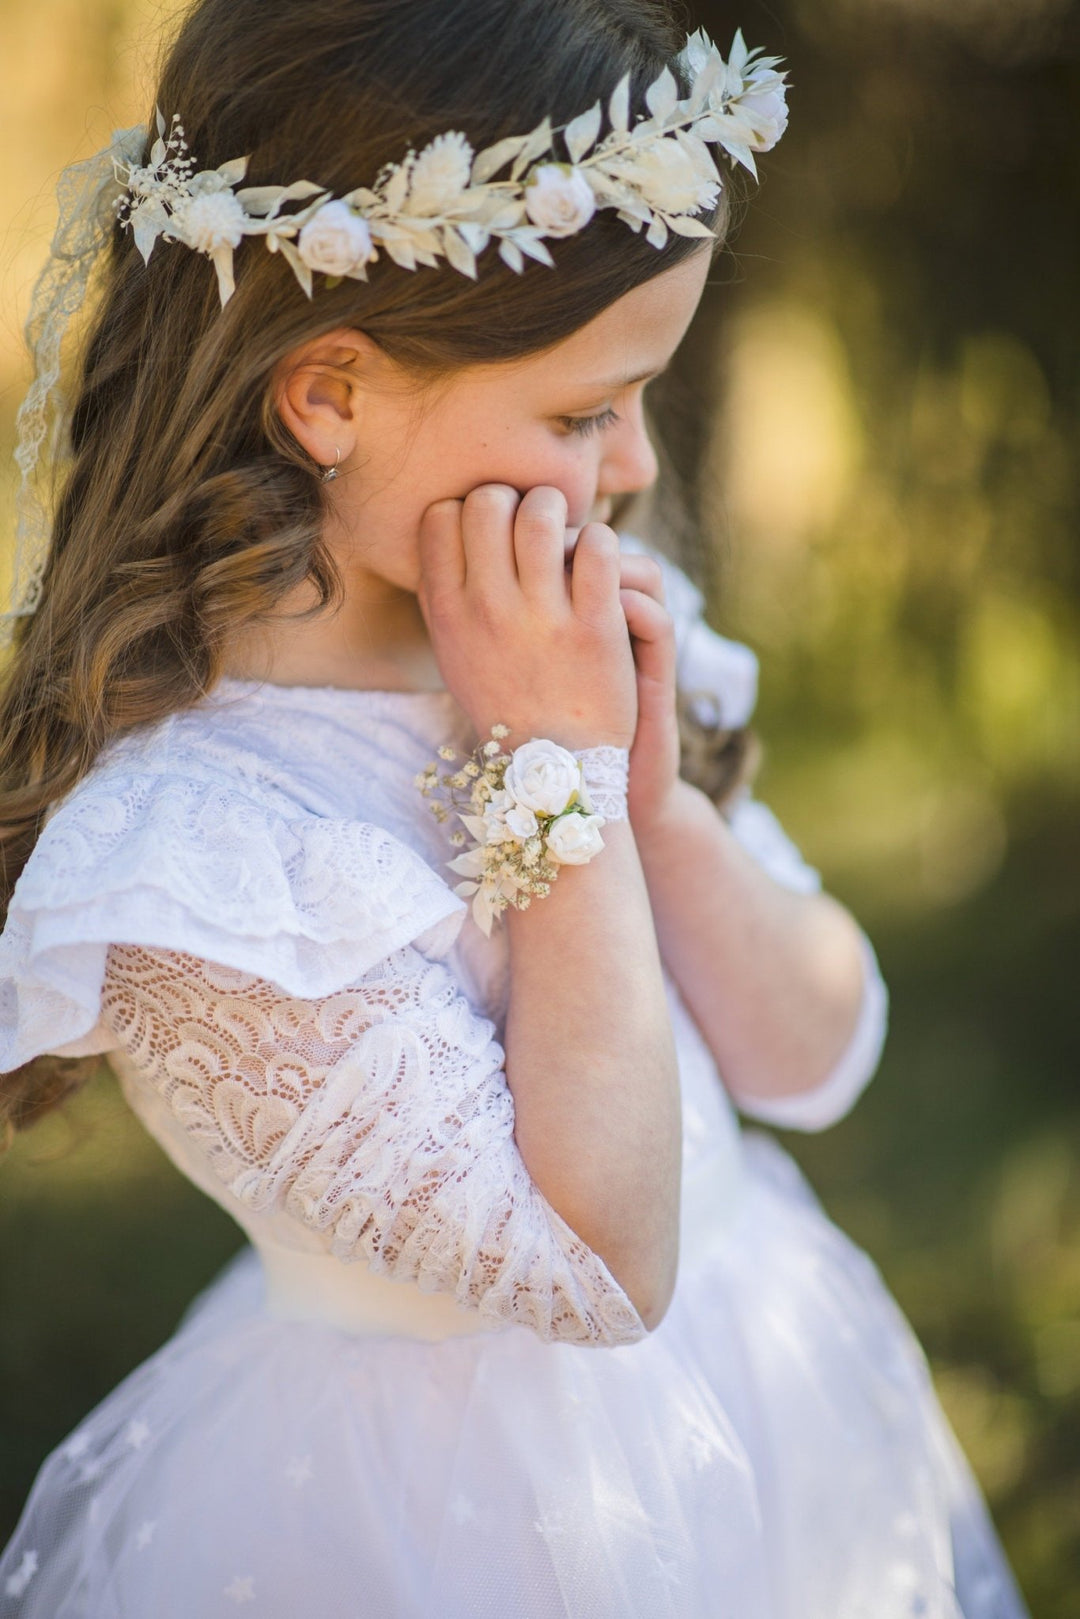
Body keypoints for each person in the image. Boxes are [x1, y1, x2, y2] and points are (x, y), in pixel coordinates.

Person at [0, 2, 1030, 1614]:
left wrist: (655, 806)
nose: (626, 469)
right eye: (577, 413)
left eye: (643, 400)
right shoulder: (201, 848)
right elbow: (599, 1266)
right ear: (327, 391)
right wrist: (552, 784)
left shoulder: (560, 624)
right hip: (436, 1525)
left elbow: (815, 1056)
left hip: (765, 1395)